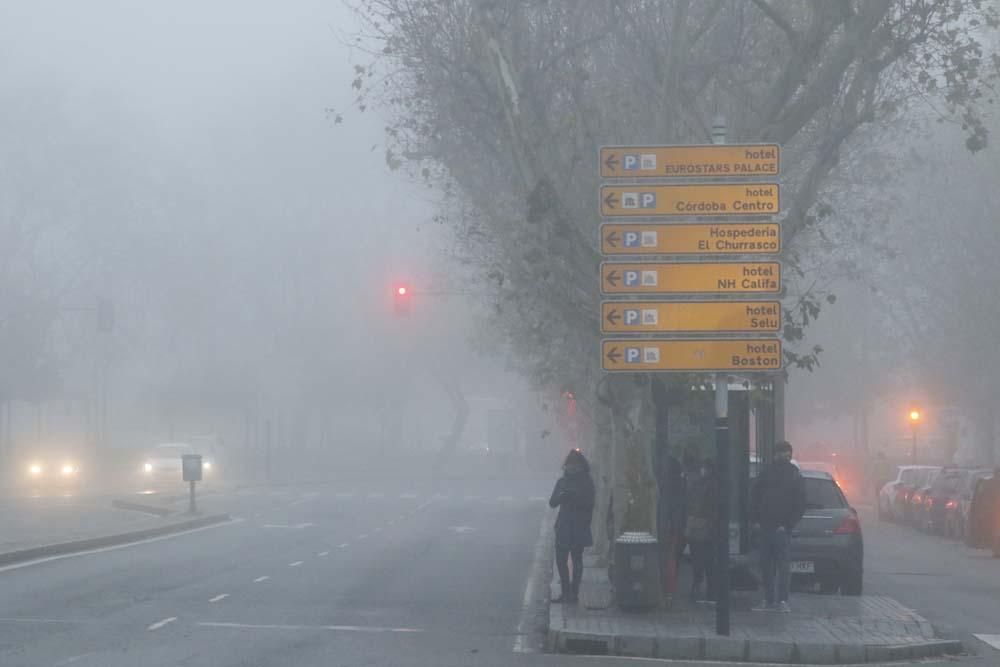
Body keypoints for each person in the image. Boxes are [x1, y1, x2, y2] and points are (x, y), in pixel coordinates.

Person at [751, 440, 806, 613]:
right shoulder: (791, 474)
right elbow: (799, 503)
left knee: (773, 566)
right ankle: (778, 601)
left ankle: (773, 600)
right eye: (783, 453)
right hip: (775, 528)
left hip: (772, 527)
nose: (784, 456)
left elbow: (755, 497)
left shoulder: (772, 472)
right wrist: (787, 524)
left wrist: (758, 521)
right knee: (778, 566)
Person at [549, 448, 596, 604]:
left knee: (577, 560)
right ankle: (565, 592)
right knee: (561, 561)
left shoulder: (587, 482)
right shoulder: (562, 482)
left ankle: (574, 593)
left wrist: (575, 498)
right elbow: (552, 502)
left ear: (581, 466)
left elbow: (590, 503)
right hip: (563, 526)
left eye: (575, 465)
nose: (572, 468)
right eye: (569, 465)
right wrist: (562, 496)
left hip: (579, 526)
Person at [684, 458, 717, 603]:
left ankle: (698, 590)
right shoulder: (716, 485)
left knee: (699, 561)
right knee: (710, 563)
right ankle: (710, 593)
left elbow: (693, 506)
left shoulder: (698, 485)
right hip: (709, 529)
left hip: (699, 529)